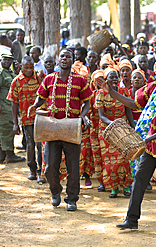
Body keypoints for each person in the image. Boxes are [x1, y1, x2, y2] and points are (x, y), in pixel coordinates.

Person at [99, 56, 156, 231]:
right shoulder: (155, 87)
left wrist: (149, 138)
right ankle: (132, 219)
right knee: (140, 179)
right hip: (152, 145)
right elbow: (134, 104)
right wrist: (111, 91)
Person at [28, 48, 93, 211]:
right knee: (50, 166)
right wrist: (34, 106)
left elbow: (87, 103)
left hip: (71, 127)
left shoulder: (80, 80)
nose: (65, 58)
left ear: (72, 60)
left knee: (73, 167)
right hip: (52, 127)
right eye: (62, 56)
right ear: (58, 60)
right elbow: (41, 97)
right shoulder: (49, 78)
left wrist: (81, 116)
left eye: (68, 56)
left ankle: (72, 199)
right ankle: (55, 192)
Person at [95, 68, 134, 198]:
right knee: (110, 161)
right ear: (106, 79)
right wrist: (112, 123)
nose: (114, 80)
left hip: (122, 128)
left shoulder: (124, 92)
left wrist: (133, 128)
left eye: (116, 77)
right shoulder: (101, 94)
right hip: (107, 130)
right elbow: (101, 115)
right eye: (111, 77)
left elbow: (128, 111)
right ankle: (114, 187)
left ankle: (126, 185)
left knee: (124, 159)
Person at [7, 56, 44, 182]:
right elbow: (14, 102)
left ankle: (41, 171)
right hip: (26, 118)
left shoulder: (39, 78)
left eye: (31, 67)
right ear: (21, 67)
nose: (29, 70)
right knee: (30, 143)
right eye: (26, 67)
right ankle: (32, 169)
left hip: (40, 116)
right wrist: (15, 123)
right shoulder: (16, 81)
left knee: (40, 144)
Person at [0, 53, 26, 164]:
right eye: (4, 59)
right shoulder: (1, 72)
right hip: (3, 105)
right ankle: (9, 154)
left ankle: (2, 155)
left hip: (9, 104)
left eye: (9, 60)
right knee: (6, 129)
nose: (7, 61)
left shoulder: (9, 72)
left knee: (6, 129)